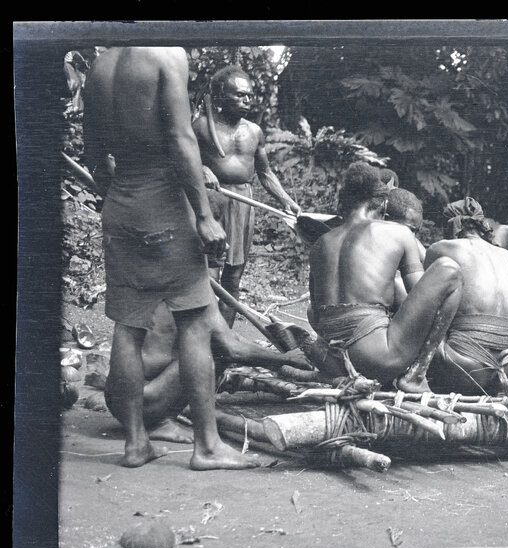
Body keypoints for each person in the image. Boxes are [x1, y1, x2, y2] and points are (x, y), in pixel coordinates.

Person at [83, 47, 258, 469]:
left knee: (128, 328)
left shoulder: (99, 65)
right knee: (196, 323)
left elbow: (93, 153)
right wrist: (203, 215)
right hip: (165, 203)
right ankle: (208, 447)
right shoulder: (167, 56)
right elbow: (181, 139)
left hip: (121, 205)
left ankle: (136, 443)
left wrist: (117, 200)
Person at [307, 161, 463, 392]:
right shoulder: (398, 232)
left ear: (344, 204)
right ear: (383, 204)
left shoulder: (321, 243)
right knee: (449, 270)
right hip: (377, 359)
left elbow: (316, 309)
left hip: (330, 360)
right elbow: (423, 295)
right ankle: (417, 375)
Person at [102, 301, 313, 440]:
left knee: (207, 342)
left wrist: (278, 360)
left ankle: (155, 420)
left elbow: (231, 338)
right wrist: (284, 359)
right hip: (146, 402)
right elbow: (232, 347)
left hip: (120, 402)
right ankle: (159, 422)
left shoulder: (158, 283)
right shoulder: (190, 292)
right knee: (215, 352)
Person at [194, 65, 301, 327]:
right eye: (240, 95)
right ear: (220, 96)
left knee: (233, 276)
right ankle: (202, 337)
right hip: (211, 201)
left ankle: (224, 348)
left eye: (250, 96)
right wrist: (202, 168)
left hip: (244, 202)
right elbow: (180, 161)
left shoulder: (254, 131)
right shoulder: (200, 126)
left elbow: (265, 173)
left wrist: (285, 199)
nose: (247, 100)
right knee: (207, 273)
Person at [424, 197, 508, 396]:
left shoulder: (441, 249)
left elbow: (423, 308)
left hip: (463, 366)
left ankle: (416, 377)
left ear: (450, 226)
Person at [383, 186, 426, 311]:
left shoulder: (413, 245)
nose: (411, 236)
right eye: (409, 229)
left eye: (415, 231)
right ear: (385, 219)